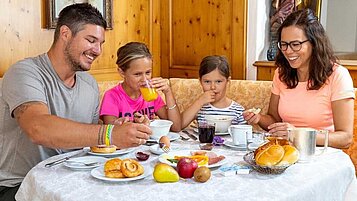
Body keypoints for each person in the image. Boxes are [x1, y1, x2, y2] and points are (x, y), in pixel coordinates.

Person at [0, 4, 151, 200]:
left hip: (72, 181)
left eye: (101, 43)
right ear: (65, 33)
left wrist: (121, 128)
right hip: (20, 187)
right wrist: (109, 133)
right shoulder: (25, 72)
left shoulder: (88, 83)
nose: (98, 50)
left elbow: (89, 135)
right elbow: (37, 128)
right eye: (91, 40)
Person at [244, 9, 355, 149]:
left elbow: (345, 138)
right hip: (287, 152)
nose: (288, 51)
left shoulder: (338, 75)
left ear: (314, 43)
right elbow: (274, 120)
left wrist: (297, 134)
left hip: (321, 155)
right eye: (283, 44)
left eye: (295, 44)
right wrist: (259, 119)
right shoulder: (281, 73)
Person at [99, 42, 181, 131]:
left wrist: (168, 92)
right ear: (122, 72)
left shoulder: (152, 94)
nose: (144, 79)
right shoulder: (112, 96)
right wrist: (135, 124)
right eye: (137, 74)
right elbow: (110, 132)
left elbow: (175, 127)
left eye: (148, 72)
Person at [181, 55, 246, 129]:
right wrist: (199, 102)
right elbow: (180, 125)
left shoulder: (238, 111)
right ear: (200, 81)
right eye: (207, 81)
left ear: (228, 81)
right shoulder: (200, 108)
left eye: (218, 81)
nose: (212, 87)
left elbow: (244, 135)